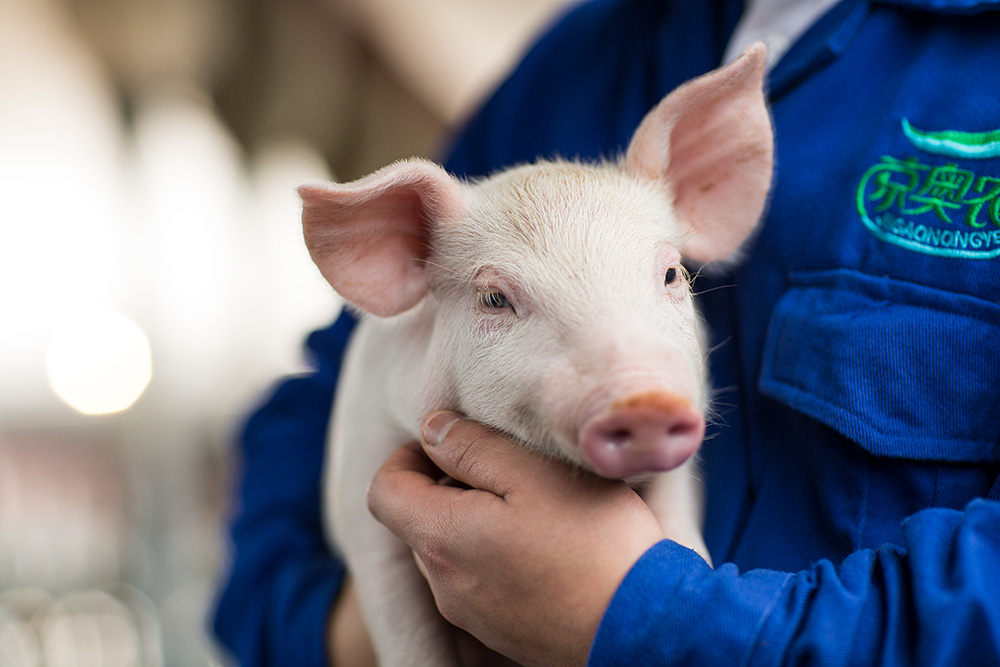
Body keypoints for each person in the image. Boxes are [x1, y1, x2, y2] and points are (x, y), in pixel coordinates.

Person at [212, 0, 1000, 664]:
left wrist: (644, 615)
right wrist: (372, 616)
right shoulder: (584, 54)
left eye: (668, 278)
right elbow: (312, 421)